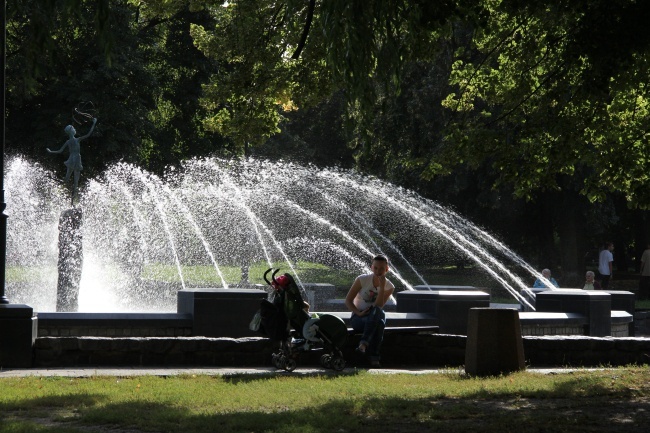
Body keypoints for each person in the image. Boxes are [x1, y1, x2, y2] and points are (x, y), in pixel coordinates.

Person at [345, 255, 395, 368]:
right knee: (380, 320)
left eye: (382, 268)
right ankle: (374, 358)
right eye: (376, 268)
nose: (378, 271)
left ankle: (363, 344)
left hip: (373, 317)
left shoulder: (389, 287)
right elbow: (348, 301)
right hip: (358, 318)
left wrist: (382, 287)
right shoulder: (362, 279)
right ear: (371, 267)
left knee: (379, 315)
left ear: (387, 269)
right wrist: (358, 313)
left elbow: (378, 306)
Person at [47, 118, 98, 202]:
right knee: (75, 181)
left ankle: (60, 185)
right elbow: (88, 134)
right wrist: (93, 123)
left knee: (68, 178)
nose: (75, 129)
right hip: (76, 159)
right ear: (71, 131)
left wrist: (51, 151)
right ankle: (72, 199)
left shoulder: (68, 141)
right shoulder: (77, 140)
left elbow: (60, 151)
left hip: (72, 159)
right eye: (74, 128)